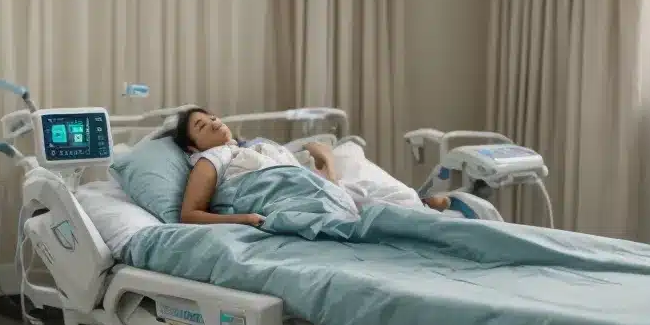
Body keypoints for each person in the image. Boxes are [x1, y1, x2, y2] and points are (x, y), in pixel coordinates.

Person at [168, 108, 450, 227]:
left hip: (312, 190)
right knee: (363, 200)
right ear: (193, 147)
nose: (215, 122)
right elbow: (189, 215)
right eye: (202, 125)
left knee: (362, 189)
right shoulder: (211, 159)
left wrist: (322, 163)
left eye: (213, 117)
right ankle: (420, 208)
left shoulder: (253, 148)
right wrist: (243, 219)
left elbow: (301, 179)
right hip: (289, 201)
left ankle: (419, 207)